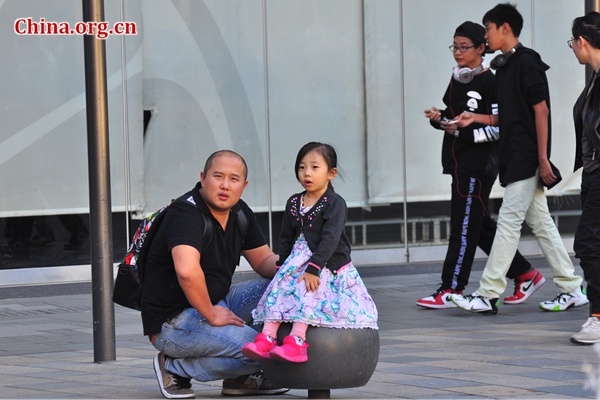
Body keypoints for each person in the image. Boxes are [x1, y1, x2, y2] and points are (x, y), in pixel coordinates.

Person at [450, 3, 587, 314]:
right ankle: (571, 287)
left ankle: (487, 294)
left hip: (526, 156)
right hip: (513, 157)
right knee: (541, 224)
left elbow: (542, 111)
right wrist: (476, 118)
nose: (486, 36)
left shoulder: (527, 63)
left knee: (509, 223)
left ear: (505, 28)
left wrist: (542, 158)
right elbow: (508, 118)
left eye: (488, 29)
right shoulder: (505, 67)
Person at [140, 150, 288, 398]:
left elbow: (263, 259)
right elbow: (186, 271)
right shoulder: (185, 214)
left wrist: (297, 269)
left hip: (216, 302)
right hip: (173, 322)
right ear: (203, 177)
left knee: (279, 287)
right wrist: (211, 314)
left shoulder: (239, 212)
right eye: (218, 176)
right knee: (265, 351)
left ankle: (238, 379)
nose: (225, 185)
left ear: (244, 185)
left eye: (233, 179)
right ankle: (174, 367)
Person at [418, 21, 542, 310]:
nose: (458, 53)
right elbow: (457, 117)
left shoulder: (491, 81)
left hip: (478, 166)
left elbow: (502, 125)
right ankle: (524, 272)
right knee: (478, 226)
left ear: (481, 48)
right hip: (459, 163)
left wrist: (462, 131)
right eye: (455, 47)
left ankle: (451, 288)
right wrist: (441, 118)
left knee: (464, 227)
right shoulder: (458, 79)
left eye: (465, 47)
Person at [241, 142, 378, 363]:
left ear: (331, 173)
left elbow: (330, 239)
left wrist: (314, 268)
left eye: (315, 167)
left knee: (308, 289)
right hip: (297, 259)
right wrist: (281, 267)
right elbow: (285, 238)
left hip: (326, 262)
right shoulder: (294, 202)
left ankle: (297, 340)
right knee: (280, 287)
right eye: (302, 167)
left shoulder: (335, 203)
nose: (307, 173)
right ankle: (266, 337)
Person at [568, 12, 600, 344]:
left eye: (572, 42)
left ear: (582, 42)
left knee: (588, 243)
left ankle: (598, 315)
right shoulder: (595, 78)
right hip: (592, 171)